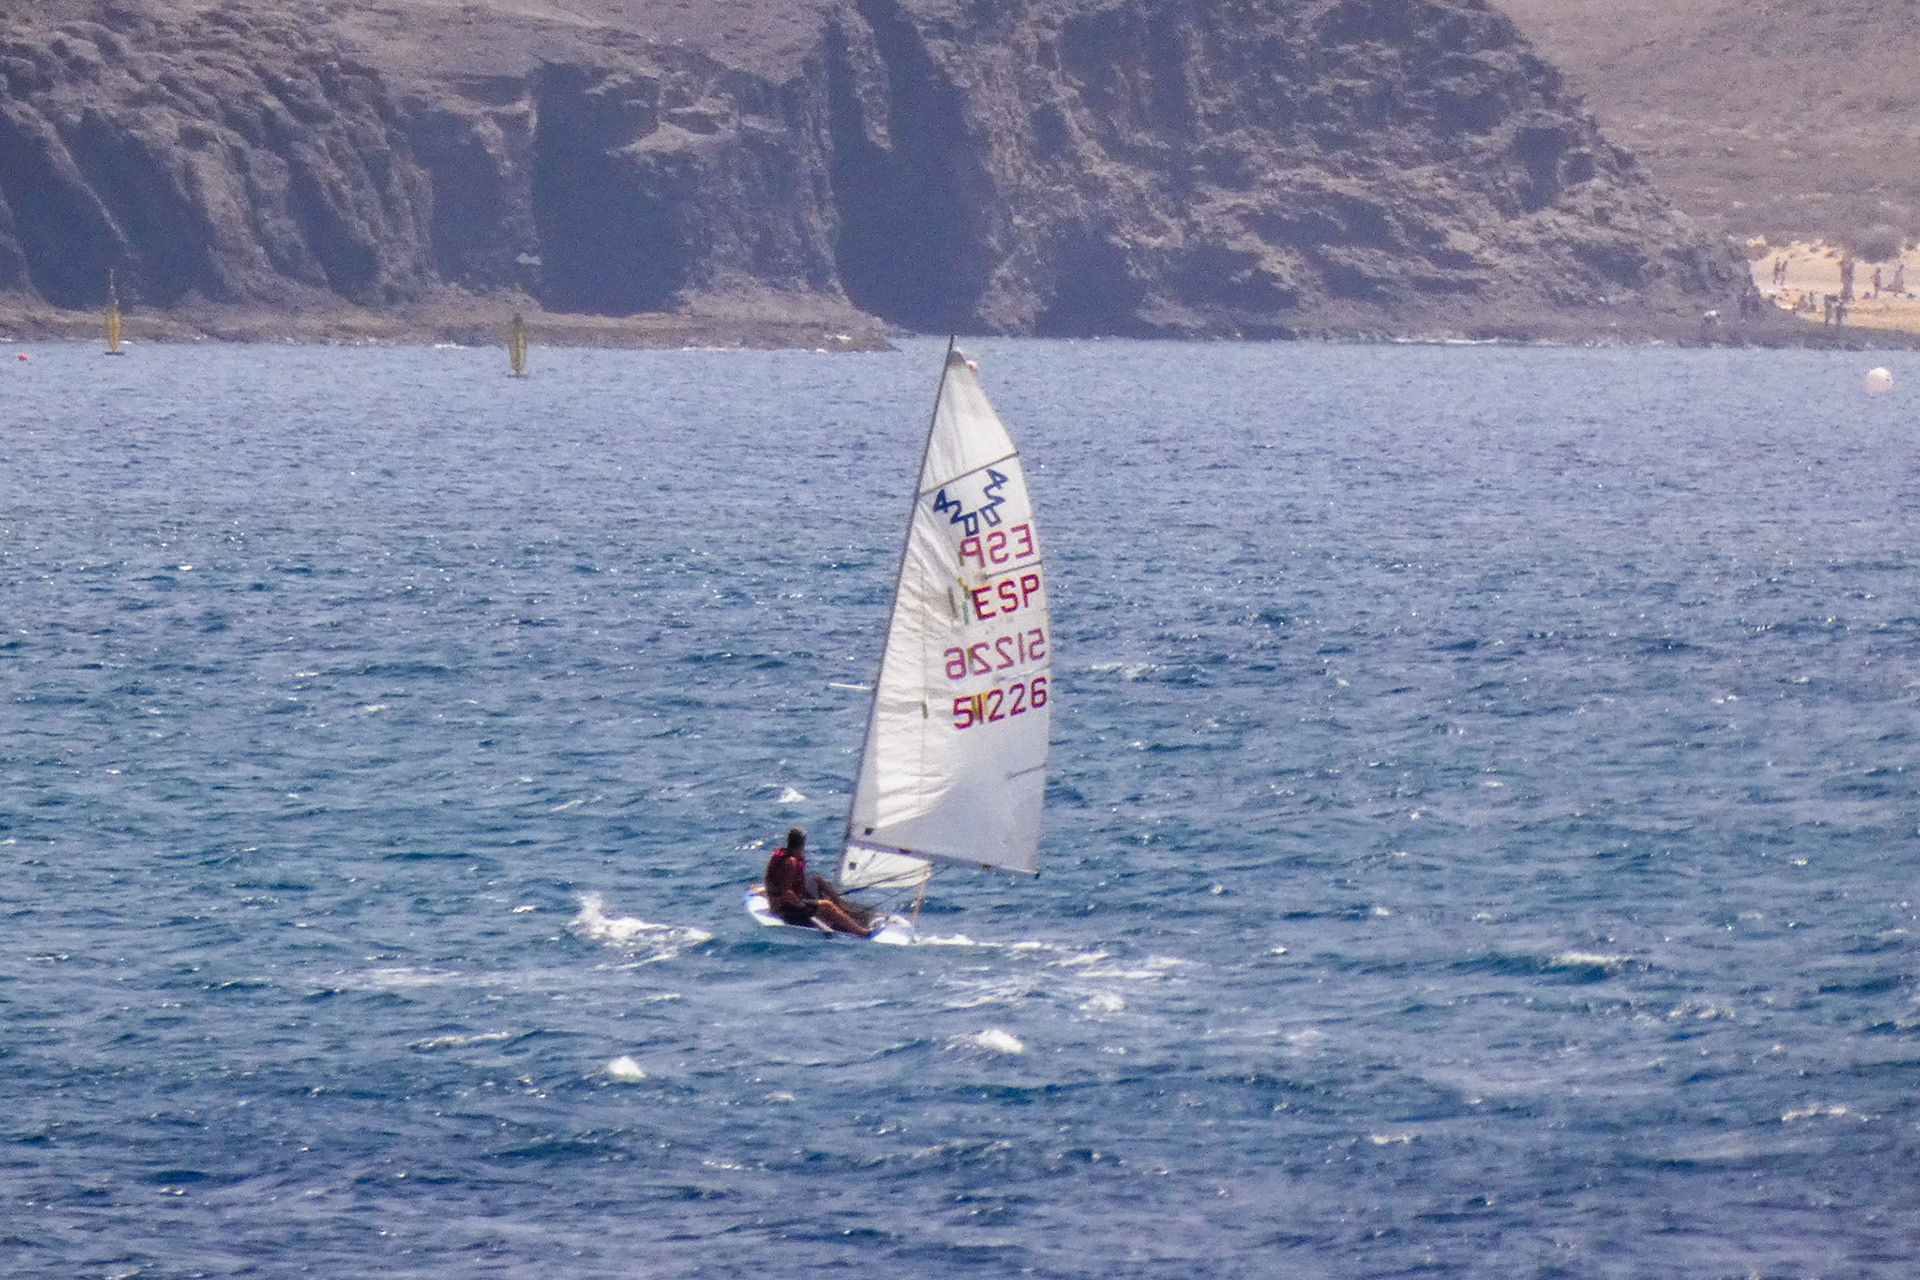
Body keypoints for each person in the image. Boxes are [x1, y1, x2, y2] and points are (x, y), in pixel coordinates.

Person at [763, 828, 875, 936]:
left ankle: (841, 906)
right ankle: (861, 931)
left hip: (787, 904)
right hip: (784, 909)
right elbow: (787, 893)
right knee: (826, 905)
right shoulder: (790, 862)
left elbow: (775, 883)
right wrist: (802, 906)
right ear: (803, 843)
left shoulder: (783, 855)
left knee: (818, 879)